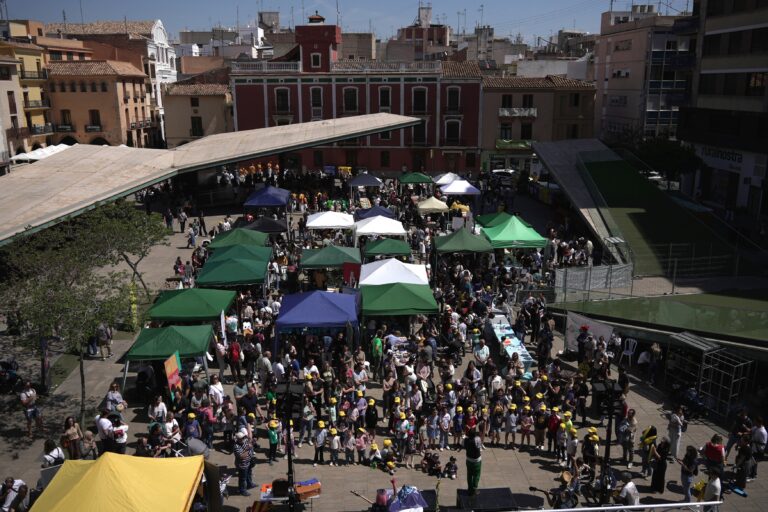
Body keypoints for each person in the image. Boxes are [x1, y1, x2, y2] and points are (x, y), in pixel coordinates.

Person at [234, 431, 254, 496]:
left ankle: (250, 484)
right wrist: (248, 449)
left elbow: (250, 444)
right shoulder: (236, 446)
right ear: (238, 439)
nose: (243, 439)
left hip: (249, 462)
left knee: (249, 474)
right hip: (242, 465)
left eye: (243, 437)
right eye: (242, 438)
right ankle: (242, 490)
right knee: (243, 478)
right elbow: (241, 456)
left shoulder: (245, 441)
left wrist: (251, 444)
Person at [464, 428, 482, 496]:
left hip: (468, 460)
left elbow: (464, 446)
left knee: (469, 475)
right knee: (476, 475)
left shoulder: (465, 439)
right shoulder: (477, 439)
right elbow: (479, 446)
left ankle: (470, 489)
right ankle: (474, 489)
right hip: (476, 461)